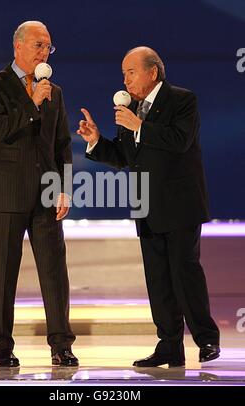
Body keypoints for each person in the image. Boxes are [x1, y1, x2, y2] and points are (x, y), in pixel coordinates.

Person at [77, 46, 220, 367]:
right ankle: (169, 345)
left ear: (152, 72)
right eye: (123, 74)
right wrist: (96, 140)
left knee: (185, 272)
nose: (125, 80)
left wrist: (138, 125)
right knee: (158, 279)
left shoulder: (182, 100)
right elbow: (127, 157)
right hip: (147, 206)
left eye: (131, 72)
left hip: (180, 205)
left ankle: (206, 339)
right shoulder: (131, 110)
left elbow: (179, 140)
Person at [0, 21, 78, 367]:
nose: (44, 52)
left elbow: (63, 144)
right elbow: (1, 131)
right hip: (6, 194)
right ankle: (0, 347)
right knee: (3, 274)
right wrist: (32, 104)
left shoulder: (55, 92)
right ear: (18, 46)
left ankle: (61, 345)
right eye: (38, 45)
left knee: (54, 272)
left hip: (47, 194)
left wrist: (64, 186)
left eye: (48, 46)